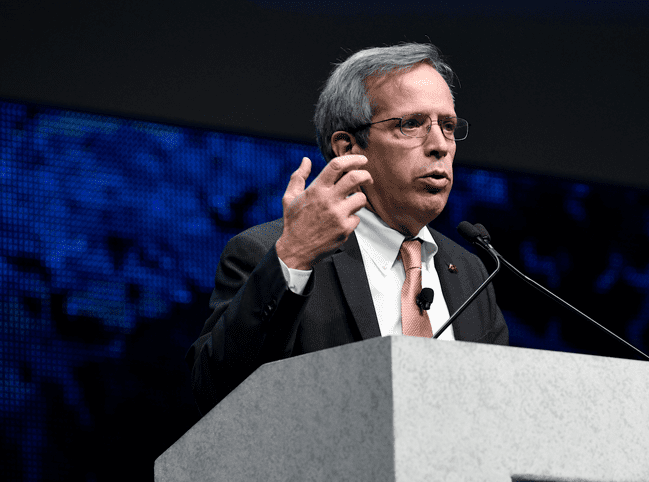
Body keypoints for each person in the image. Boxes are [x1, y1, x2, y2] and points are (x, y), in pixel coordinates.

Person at [187, 43, 508, 414]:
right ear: (348, 147)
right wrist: (294, 255)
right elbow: (214, 391)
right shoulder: (272, 254)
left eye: (448, 126)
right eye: (411, 124)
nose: (439, 145)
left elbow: (499, 413)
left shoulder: (469, 271)